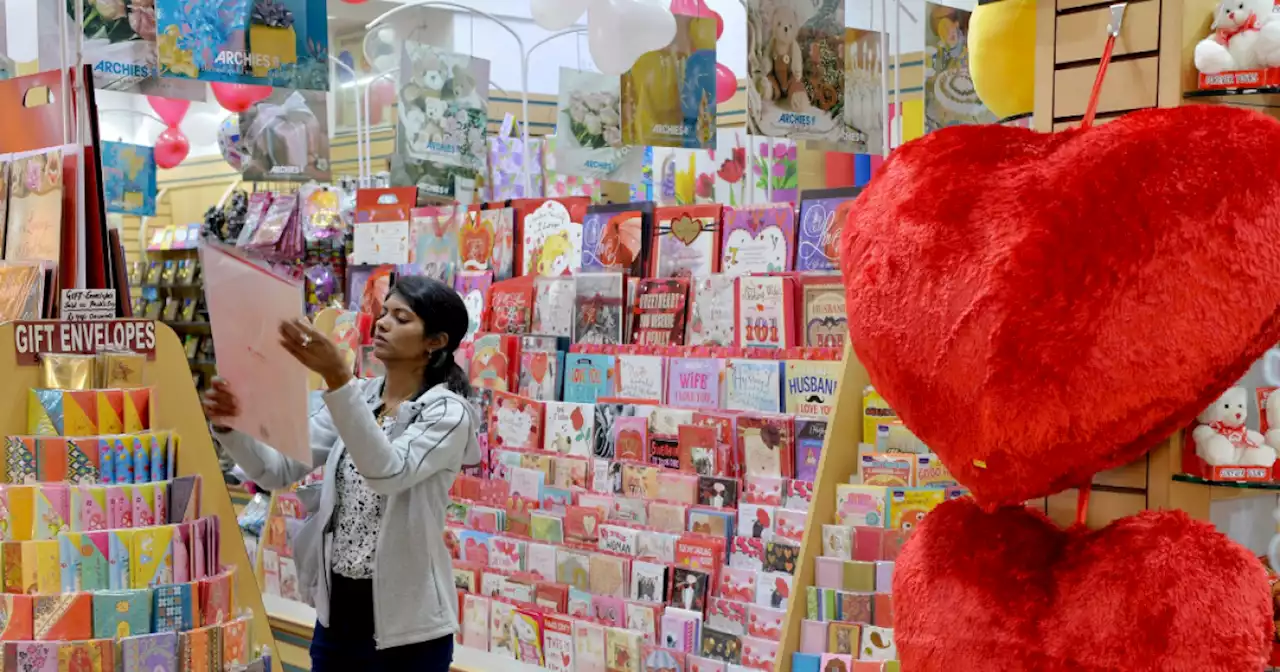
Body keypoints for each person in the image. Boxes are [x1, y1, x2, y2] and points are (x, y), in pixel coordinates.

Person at [203, 276, 479, 671]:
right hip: (337, 619)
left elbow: (387, 471)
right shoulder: (361, 397)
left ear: (435, 341)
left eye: (401, 318)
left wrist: (338, 379)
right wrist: (230, 426)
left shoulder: (447, 413)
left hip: (409, 632)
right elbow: (277, 470)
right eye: (383, 313)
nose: (382, 323)